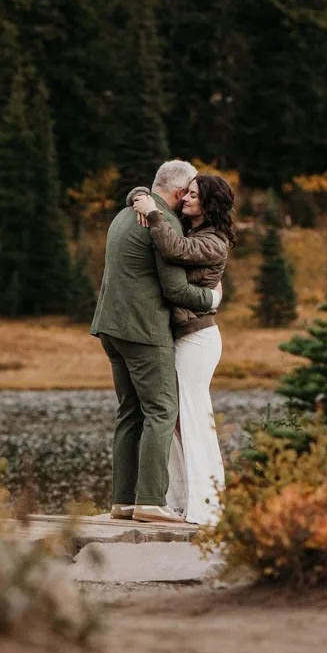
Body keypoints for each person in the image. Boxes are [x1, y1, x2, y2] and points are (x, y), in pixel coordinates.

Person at [89, 160, 221, 525]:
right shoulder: (162, 223)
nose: (190, 199)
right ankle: (149, 502)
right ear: (180, 194)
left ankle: (123, 501)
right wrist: (211, 300)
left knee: (129, 412)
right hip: (144, 331)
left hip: (110, 327)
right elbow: (175, 288)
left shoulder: (123, 216)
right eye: (190, 192)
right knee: (162, 410)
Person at [128, 173, 235, 526]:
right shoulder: (192, 230)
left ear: (210, 203)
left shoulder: (215, 241)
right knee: (173, 419)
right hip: (183, 336)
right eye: (185, 193)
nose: (187, 199)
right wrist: (142, 195)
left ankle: (208, 506)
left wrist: (154, 213)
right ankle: (178, 500)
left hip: (198, 339)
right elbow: (151, 197)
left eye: (194, 195)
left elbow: (176, 250)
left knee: (191, 416)